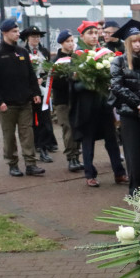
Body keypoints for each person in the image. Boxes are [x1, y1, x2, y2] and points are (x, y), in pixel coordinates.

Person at [0, 19, 44, 178]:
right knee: (9, 136)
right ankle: (13, 164)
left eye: (18, 31)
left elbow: (31, 76)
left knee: (27, 134)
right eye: (14, 32)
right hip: (7, 105)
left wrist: (35, 93)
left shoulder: (23, 52)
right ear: (4, 33)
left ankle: (31, 164)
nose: (18, 34)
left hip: (25, 102)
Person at [71, 20, 127, 188]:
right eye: (90, 33)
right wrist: (91, 82)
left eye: (96, 33)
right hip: (87, 107)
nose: (94, 36)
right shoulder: (77, 55)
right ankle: (90, 174)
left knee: (111, 140)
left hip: (104, 104)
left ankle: (119, 172)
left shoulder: (105, 53)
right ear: (82, 36)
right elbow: (74, 85)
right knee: (88, 142)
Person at [109, 20, 140, 195]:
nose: (137, 44)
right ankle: (135, 190)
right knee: (132, 153)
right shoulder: (118, 62)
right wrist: (137, 103)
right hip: (128, 114)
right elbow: (117, 86)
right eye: (134, 41)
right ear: (127, 43)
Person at [21, 26, 56, 162]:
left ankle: (44, 148)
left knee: (44, 119)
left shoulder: (44, 52)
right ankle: (33, 145)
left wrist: (43, 78)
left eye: (38, 36)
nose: (36, 39)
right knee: (30, 121)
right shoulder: (22, 51)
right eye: (33, 36)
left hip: (42, 89)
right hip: (28, 91)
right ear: (27, 38)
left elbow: (49, 69)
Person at [50, 29, 82, 173]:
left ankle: (77, 155)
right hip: (62, 100)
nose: (71, 44)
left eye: (72, 41)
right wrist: (70, 77)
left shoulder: (77, 58)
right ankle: (71, 157)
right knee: (68, 128)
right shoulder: (57, 61)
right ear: (62, 43)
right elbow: (54, 83)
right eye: (68, 42)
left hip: (76, 98)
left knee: (77, 127)